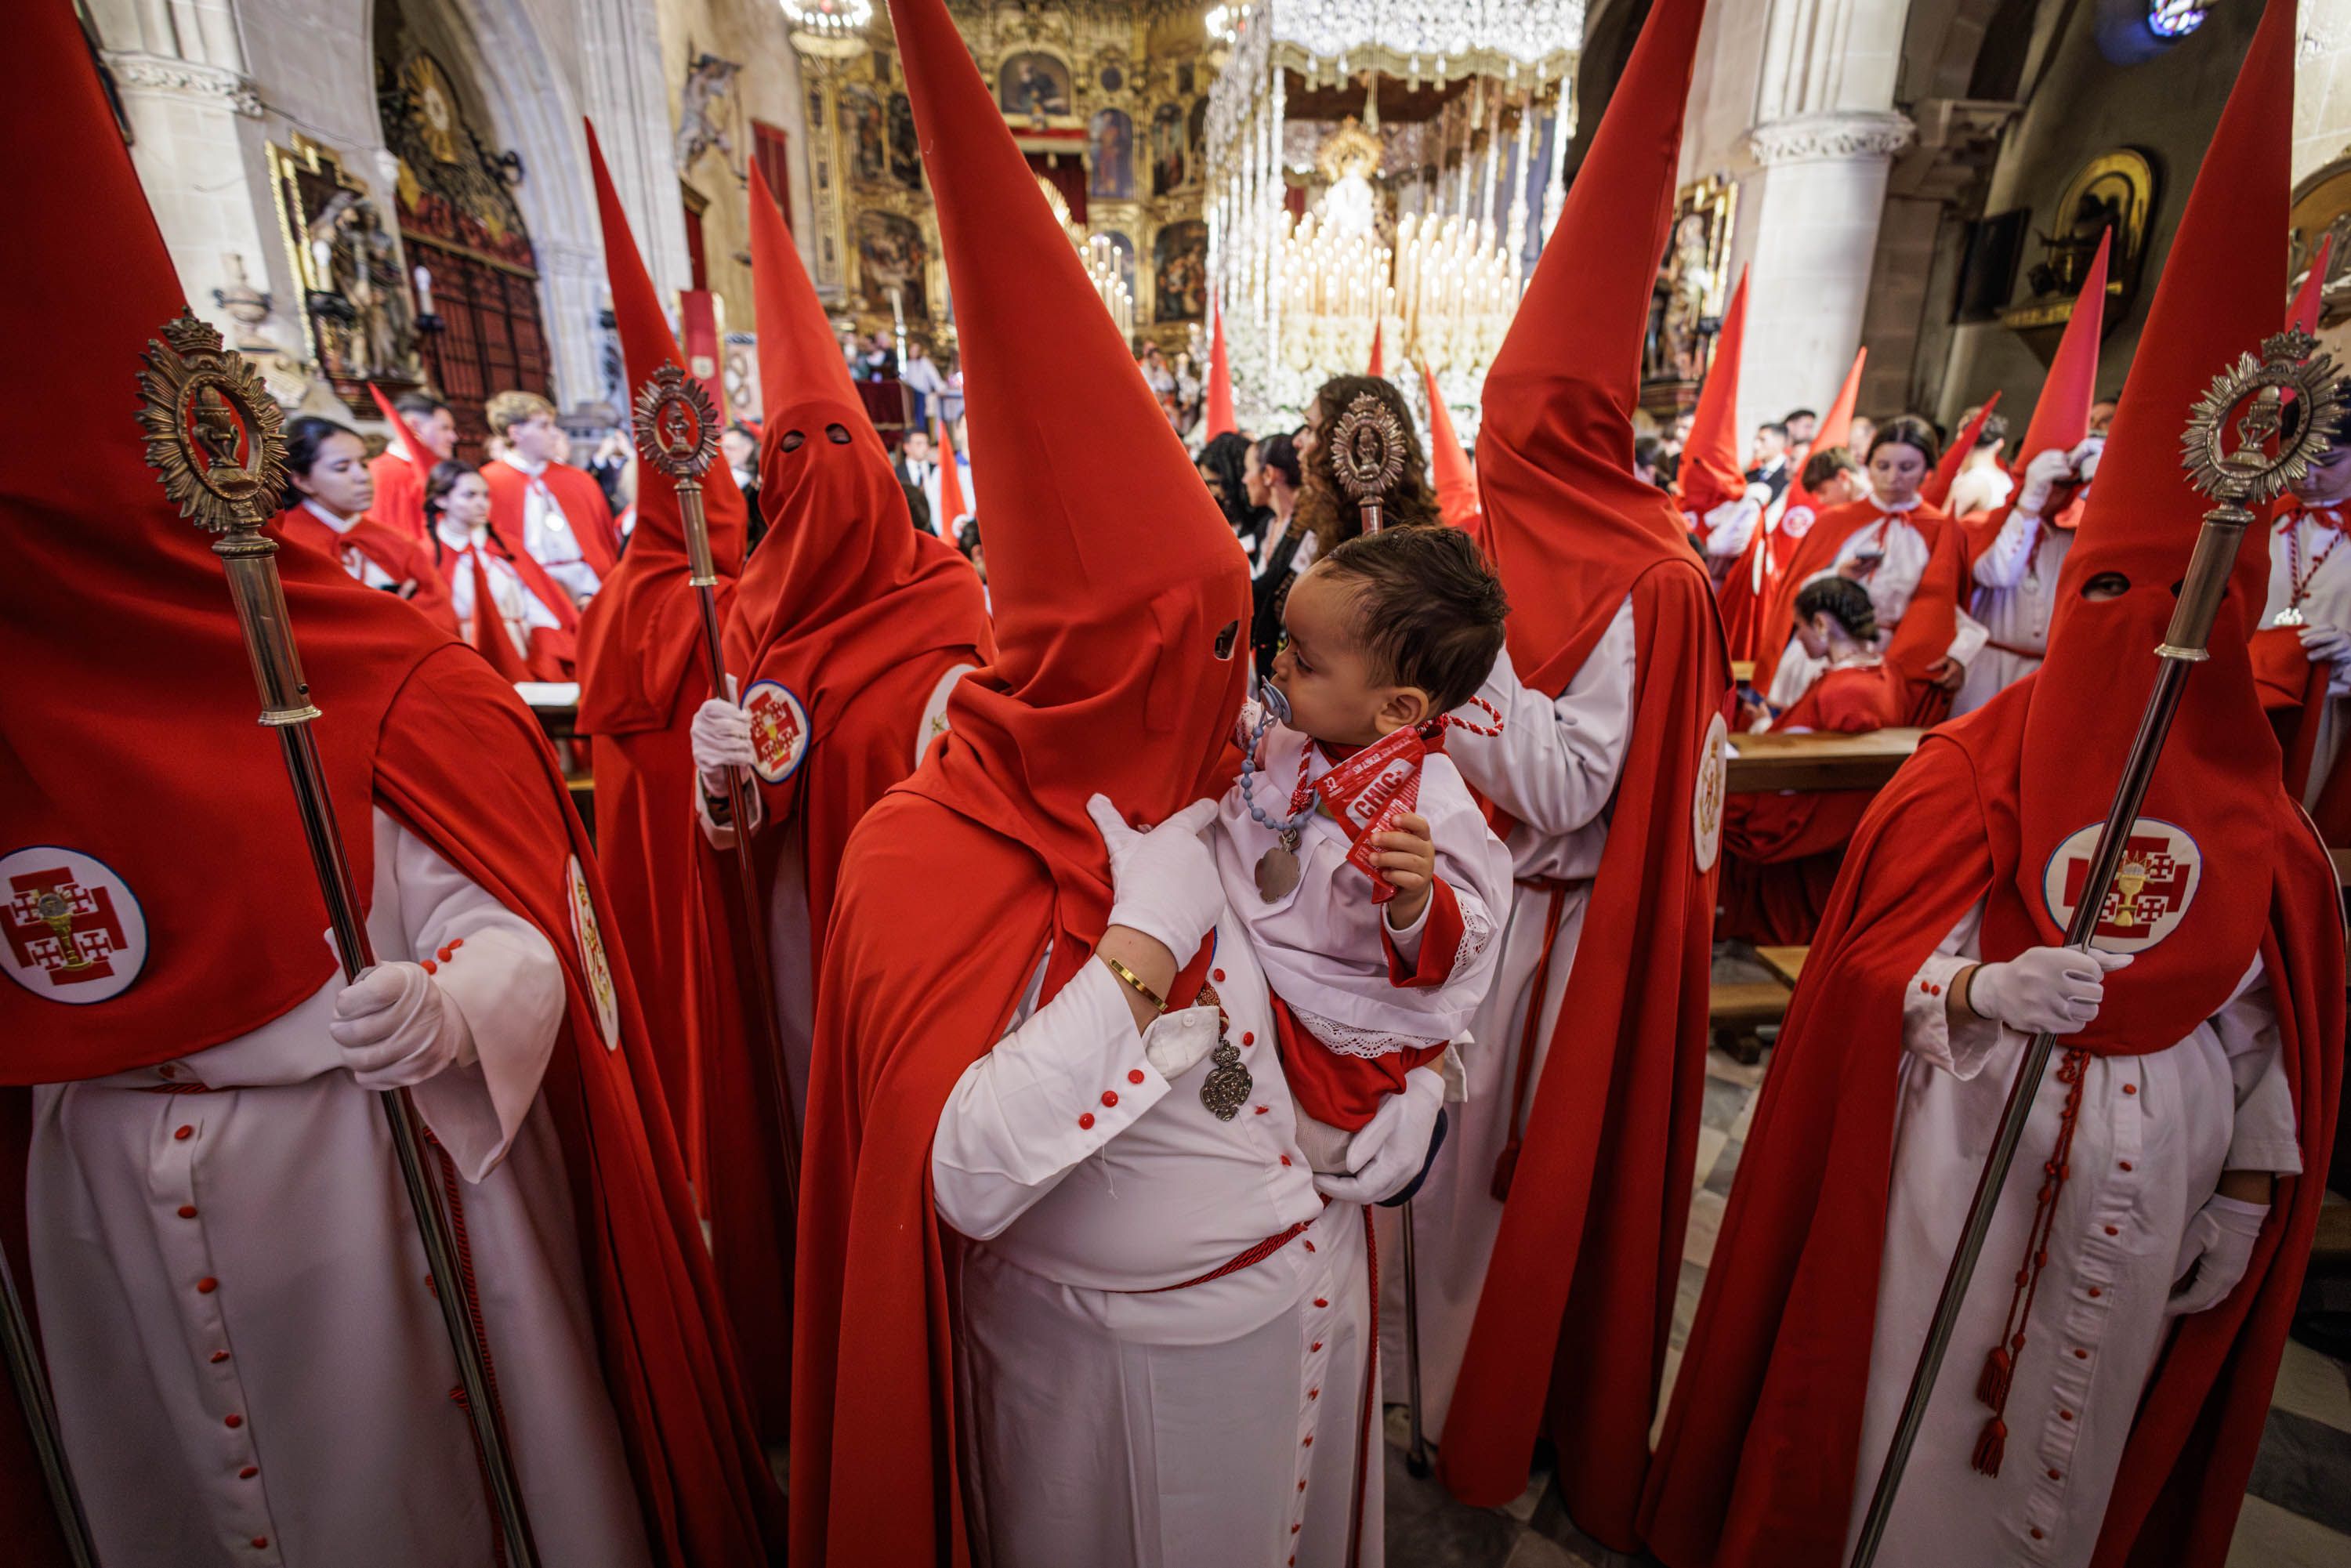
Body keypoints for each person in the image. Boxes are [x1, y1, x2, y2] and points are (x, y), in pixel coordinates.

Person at [0, 17, 779, 1562]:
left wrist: (458, 1004)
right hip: (98, 1212)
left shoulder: (358, 677)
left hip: (363, 1184)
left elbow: (519, 918)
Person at [1645, 10, 2341, 1561]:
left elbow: (2263, 1015)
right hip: (1955, 1152)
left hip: (2147, 1189)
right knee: (1916, 1412)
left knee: (2077, 1453)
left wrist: (2245, 1176)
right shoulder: (1970, 775)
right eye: (2105, 603)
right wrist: (1972, 991)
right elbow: (1868, 972)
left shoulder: (2272, 833)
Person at [792, 2, 1415, 1558]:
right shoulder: (927, 847)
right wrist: (1137, 950)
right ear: (1122, 660)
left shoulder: (1234, 772)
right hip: (1119, 1369)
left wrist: (1424, 1085)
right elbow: (965, 1171)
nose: (1243, 676)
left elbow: (1350, 972)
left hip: (1313, 1291)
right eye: (1207, 642)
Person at [1423, 0, 1731, 1552]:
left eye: (1512, 421)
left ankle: (1490, 1402)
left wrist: (1444, 680)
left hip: (1548, 940)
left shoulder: (1648, 582)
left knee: (1497, 1186)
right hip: (1441, 907)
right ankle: (1431, 1385)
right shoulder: (1485, 547)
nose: (1493, 442)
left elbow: (1563, 791)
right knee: (1423, 1166)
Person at [682, 155, 992, 1436]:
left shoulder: (948, 613)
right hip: (795, 931)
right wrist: (717, 792)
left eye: (833, 445)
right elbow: (746, 806)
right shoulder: (752, 615)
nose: (811, 473)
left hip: (906, 954)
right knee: (811, 1131)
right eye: (784, 454)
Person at [571, 125, 755, 1324]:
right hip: (691, 825)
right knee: (711, 1005)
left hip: (649, 818)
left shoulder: (626, 586)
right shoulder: (704, 588)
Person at [1218, 528, 1512, 1169]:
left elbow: (1467, 939)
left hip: (1319, 1006)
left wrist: (1416, 899)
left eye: (1307, 659)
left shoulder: (1428, 807)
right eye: (1287, 639)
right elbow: (1246, 760)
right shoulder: (1304, 730)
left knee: (1300, 1118)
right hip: (1253, 951)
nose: (1280, 662)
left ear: (1396, 709)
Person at [1954, 240, 2112, 719]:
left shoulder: (2082, 531)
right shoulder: (1997, 521)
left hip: (2049, 675)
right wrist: (2028, 504)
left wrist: (2102, 490)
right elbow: (1996, 572)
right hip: (1989, 668)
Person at [1755, 415, 1985, 726]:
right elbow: (1797, 595)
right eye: (1883, 466)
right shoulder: (1834, 521)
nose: (1893, 478)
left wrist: (1962, 652)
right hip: (1825, 651)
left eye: (1907, 468)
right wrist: (1842, 576)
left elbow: (1945, 606)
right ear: (1868, 464)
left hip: (1893, 660)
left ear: (1926, 471)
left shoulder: (1940, 530)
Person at [1718, 576, 1899, 943]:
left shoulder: (1847, 689)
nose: (1797, 639)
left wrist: (1763, 729)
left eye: (1799, 627)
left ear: (1821, 624)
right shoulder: (1877, 672)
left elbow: (1809, 757)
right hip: (1825, 792)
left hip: (1808, 807)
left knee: (1716, 802)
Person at [1255, 375, 1444, 668]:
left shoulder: (1401, 550)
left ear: (1346, 444)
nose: (1298, 441)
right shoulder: (1313, 519)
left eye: (1311, 428)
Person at [2255, 422, 2351, 841]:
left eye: (2326, 461)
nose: (2306, 475)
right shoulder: (2262, 520)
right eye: (2294, 458)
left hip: (2337, 714)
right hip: (2256, 702)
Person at [277, 414, 458, 635]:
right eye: (342, 468)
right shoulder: (283, 545)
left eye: (363, 463)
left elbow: (441, 614)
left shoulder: (396, 542)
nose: (362, 476)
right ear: (302, 480)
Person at [427, 459, 579, 680]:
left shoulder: (508, 548)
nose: (482, 504)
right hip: (461, 655)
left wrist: (543, 662)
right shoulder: (427, 555)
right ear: (441, 500)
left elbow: (541, 607)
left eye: (485, 495)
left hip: (519, 653)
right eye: (470, 495)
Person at [482, 389, 618, 605]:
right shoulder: (488, 484)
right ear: (516, 433)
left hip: (589, 587)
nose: (555, 433)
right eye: (544, 426)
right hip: (532, 595)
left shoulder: (579, 480)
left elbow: (604, 544)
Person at [367, 389, 455, 544]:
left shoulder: (438, 468)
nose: (454, 437)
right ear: (414, 427)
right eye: (445, 428)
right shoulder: (383, 473)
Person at [1197, 428, 1263, 554]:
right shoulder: (1221, 513)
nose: (1212, 492)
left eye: (1215, 483)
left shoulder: (1264, 520)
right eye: (1207, 484)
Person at [1252, 428, 1305, 580]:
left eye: (1248, 470)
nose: (1244, 479)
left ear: (1269, 474)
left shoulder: (1308, 528)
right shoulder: (1266, 527)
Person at [1946, 407, 2016, 517]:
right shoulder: (2005, 479)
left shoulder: (1973, 481)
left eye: (1959, 431)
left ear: (1963, 437)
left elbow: (1941, 528)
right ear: (1999, 443)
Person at [893, 422, 943, 531]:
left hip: (939, 529)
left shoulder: (937, 469)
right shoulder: (896, 474)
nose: (925, 448)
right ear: (907, 447)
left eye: (926, 443)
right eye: (919, 444)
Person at [719, 420, 760, 531]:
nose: (724, 453)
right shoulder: (722, 479)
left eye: (730, 448)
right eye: (722, 448)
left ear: (748, 448)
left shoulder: (760, 478)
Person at [899, 336, 945, 425]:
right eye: (911, 350)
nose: (913, 352)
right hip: (910, 393)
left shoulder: (924, 362)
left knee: (920, 414)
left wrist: (939, 387)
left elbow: (933, 375)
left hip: (921, 392)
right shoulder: (908, 363)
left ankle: (921, 430)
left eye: (915, 350)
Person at [1747, 418, 1792, 501]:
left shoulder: (1790, 475)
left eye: (1762, 440)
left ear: (1780, 441)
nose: (1756, 446)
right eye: (1756, 439)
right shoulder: (1750, 475)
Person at [1784, 404, 1819, 468]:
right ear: (1790, 425)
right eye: (1806, 427)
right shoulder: (1772, 451)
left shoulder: (1808, 451)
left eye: (1811, 428)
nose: (1809, 432)